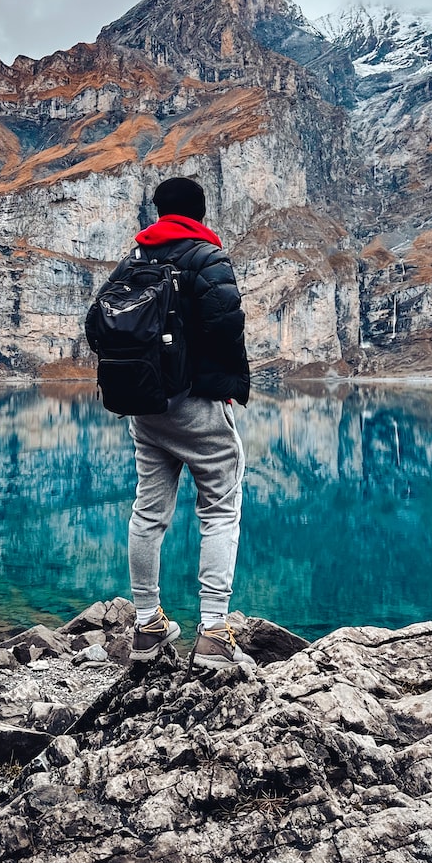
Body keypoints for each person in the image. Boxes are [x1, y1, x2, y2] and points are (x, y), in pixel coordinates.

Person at [95, 176, 254, 670]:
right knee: (221, 511)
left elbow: (97, 324)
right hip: (200, 404)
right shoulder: (208, 258)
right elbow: (228, 327)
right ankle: (212, 632)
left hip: (147, 407)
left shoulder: (135, 261)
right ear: (200, 213)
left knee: (149, 511)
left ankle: (147, 624)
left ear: (159, 212)